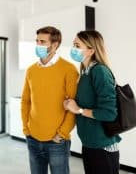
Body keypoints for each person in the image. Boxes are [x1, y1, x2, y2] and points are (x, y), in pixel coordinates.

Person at [21, 26, 79, 174]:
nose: (38, 45)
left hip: (57, 141)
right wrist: (26, 129)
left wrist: (62, 133)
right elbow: (26, 101)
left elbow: (74, 106)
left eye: (42, 42)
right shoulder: (31, 70)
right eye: (37, 41)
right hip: (33, 138)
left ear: (55, 45)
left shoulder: (69, 69)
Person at [63, 30, 121, 174]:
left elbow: (109, 113)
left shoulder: (100, 71)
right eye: (73, 45)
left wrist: (79, 110)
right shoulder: (84, 73)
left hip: (103, 146)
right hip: (89, 143)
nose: (73, 49)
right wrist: (71, 104)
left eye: (77, 45)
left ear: (91, 50)